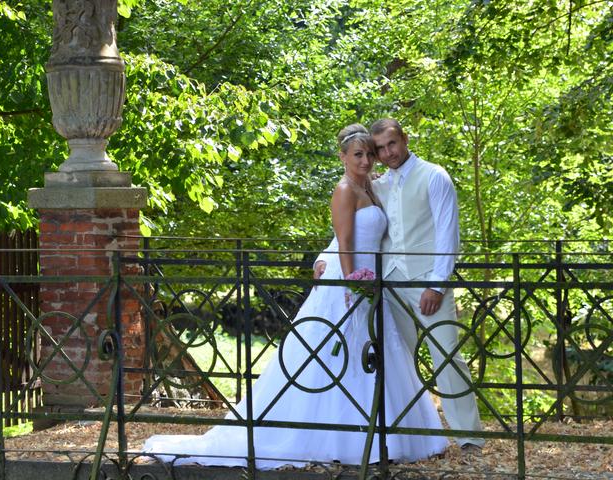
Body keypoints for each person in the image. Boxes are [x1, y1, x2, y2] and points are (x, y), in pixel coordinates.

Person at [141, 124, 448, 469]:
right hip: (349, 285)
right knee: (334, 356)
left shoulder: (371, 188)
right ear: (343, 157)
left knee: (372, 354)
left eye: (369, 154)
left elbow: (354, 236)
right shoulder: (344, 190)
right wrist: (351, 283)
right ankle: (334, 437)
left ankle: (383, 433)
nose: (365, 161)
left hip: (371, 283)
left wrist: (343, 268)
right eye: (358, 155)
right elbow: (345, 242)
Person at [314, 118, 484, 453]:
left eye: (392, 144)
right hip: (385, 285)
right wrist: (322, 258)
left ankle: (469, 438)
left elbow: (448, 235)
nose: (387, 153)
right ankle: (404, 435)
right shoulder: (376, 185)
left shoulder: (434, 176)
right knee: (394, 361)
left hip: (426, 284)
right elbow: (349, 230)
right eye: (380, 148)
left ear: (405, 139)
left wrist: (437, 286)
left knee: (447, 357)